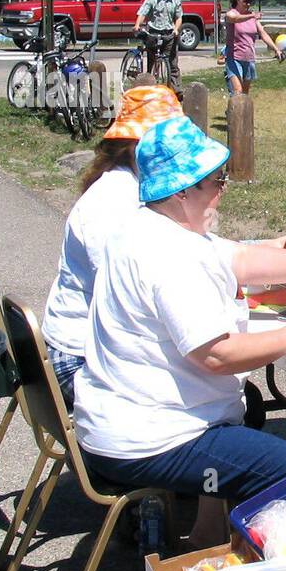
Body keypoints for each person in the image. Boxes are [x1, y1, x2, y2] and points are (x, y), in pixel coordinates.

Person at [73, 116, 286, 532]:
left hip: (115, 419)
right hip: (145, 439)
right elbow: (216, 355)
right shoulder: (171, 255)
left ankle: (207, 537)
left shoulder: (148, 225)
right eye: (215, 182)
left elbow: (243, 260)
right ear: (182, 191)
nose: (222, 190)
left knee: (247, 409)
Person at [42, 79, 183, 408]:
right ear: (136, 146)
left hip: (92, 346)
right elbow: (130, 287)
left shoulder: (137, 187)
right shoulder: (113, 201)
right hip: (77, 359)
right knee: (201, 386)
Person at [223, 0, 283, 96]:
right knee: (237, 91)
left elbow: (263, 33)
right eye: (246, 1)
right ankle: (234, 113)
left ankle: (235, 112)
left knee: (245, 94)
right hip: (234, 58)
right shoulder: (232, 13)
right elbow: (233, 19)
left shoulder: (252, 16)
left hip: (249, 59)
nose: (249, 4)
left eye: (251, 2)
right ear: (238, 0)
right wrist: (251, 16)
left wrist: (276, 49)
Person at [133, 0, 183, 92]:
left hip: (169, 34)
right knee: (153, 60)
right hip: (154, 33)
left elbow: (179, 17)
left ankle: (176, 91)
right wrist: (137, 25)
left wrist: (176, 29)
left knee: (172, 63)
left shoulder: (175, 0)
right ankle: (149, 87)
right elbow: (143, 13)